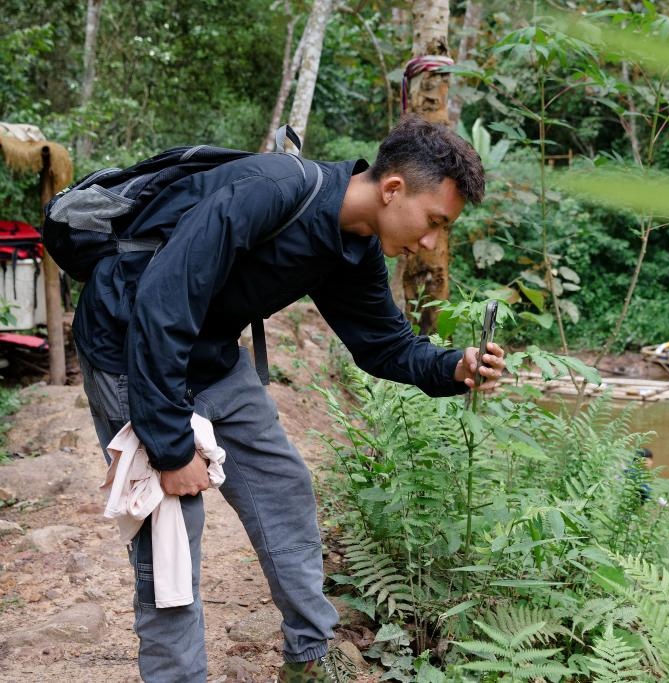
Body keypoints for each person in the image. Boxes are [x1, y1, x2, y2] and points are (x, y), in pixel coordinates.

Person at [74, 116, 506, 682]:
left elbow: (383, 345)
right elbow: (162, 301)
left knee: (282, 485)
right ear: (393, 188)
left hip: (207, 353)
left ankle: (311, 657)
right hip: (130, 349)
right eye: (433, 222)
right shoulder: (270, 190)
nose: (431, 242)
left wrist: (453, 365)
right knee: (171, 538)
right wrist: (171, 447)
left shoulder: (353, 245)